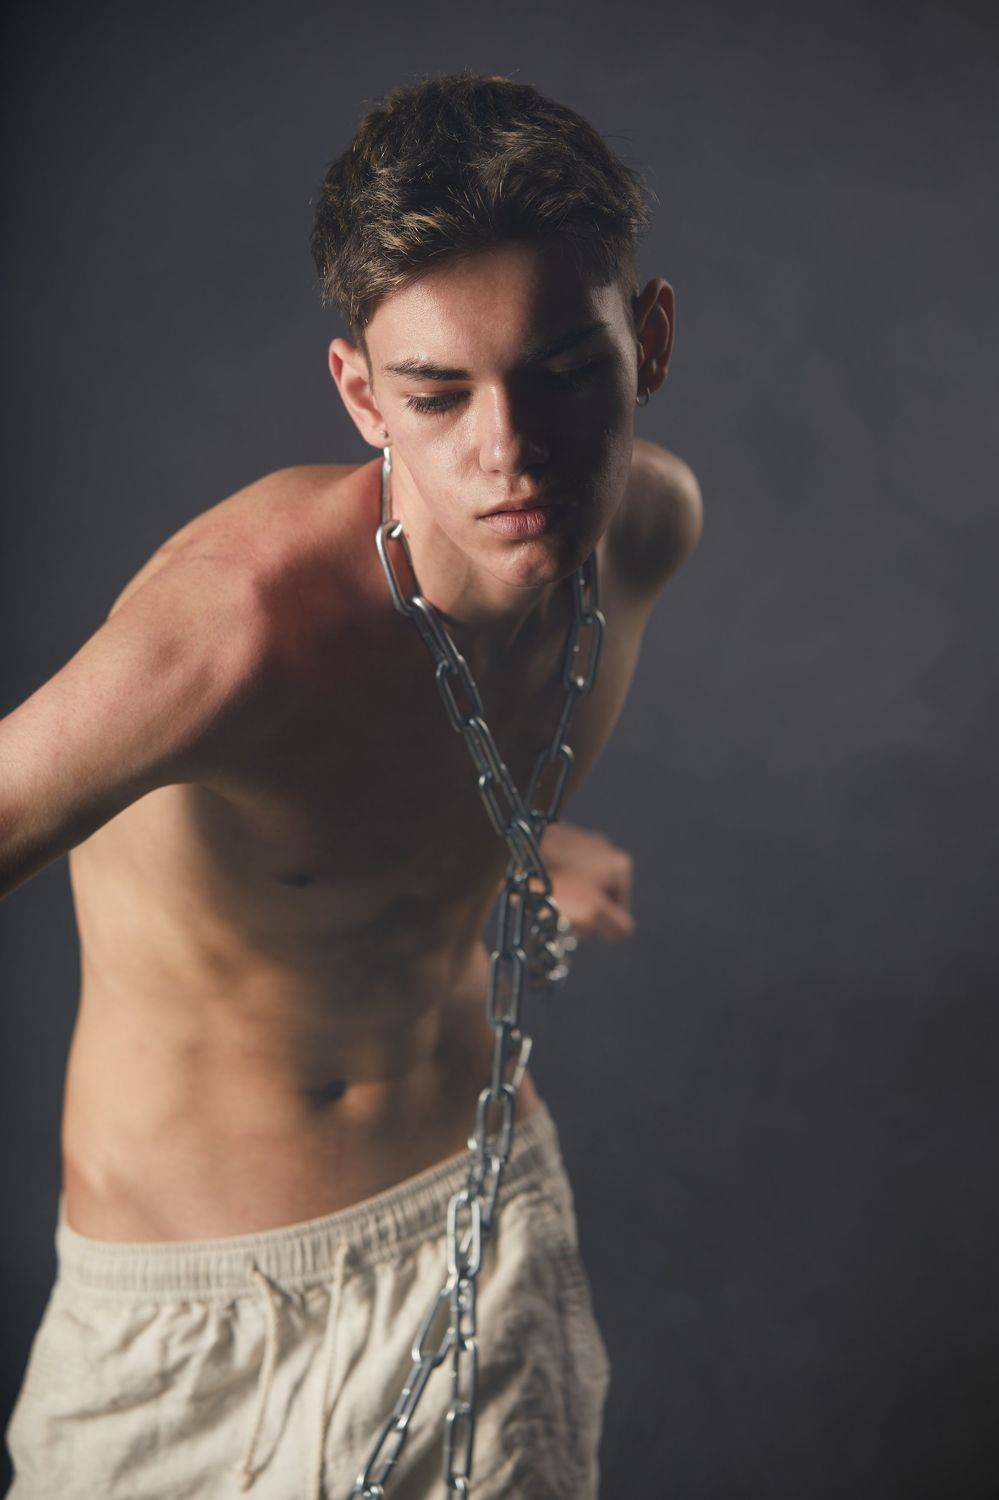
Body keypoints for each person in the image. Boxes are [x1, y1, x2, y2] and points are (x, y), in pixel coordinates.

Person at [1, 70, 702, 1500]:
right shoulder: (239, 626)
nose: (509, 450)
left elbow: (406, 762)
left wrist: (519, 840)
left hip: (481, 1224)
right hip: (191, 1322)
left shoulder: (646, 532)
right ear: (363, 396)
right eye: (439, 396)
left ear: (649, 341)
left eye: (565, 372)